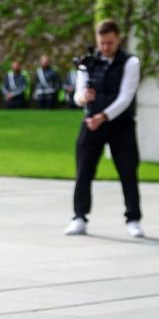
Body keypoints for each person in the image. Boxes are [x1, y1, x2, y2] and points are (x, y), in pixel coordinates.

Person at [64, 19, 143, 238]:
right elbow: (78, 95)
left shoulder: (131, 62)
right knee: (83, 171)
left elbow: (126, 97)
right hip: (92, 123)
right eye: (102, 43)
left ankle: (133, 219)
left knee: (128, 171)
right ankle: (79, 217)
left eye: (109, 42)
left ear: (118, 38)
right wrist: (83, 98)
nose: (105, 47)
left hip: (121, 124)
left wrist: (104, 116)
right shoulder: (87, 62)